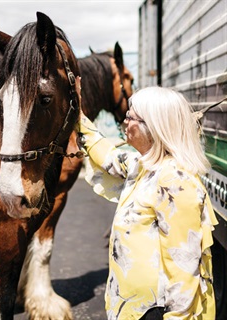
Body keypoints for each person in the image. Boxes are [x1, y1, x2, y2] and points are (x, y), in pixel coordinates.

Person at [75, 77, 218, 319]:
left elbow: (185, 268)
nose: (125, 122)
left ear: (154, 127)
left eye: (131, 117)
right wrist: (77, 113)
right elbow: (108, 156)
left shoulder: (176, 182)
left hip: (155, 312)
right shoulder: (142, 166)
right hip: (133, 309)